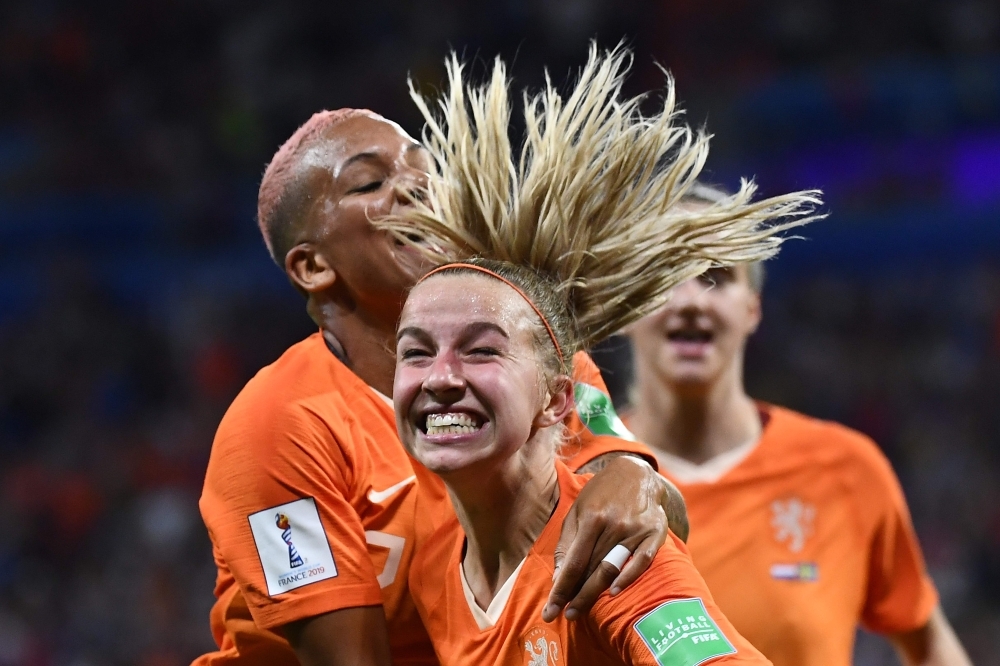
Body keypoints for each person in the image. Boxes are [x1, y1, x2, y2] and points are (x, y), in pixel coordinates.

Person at [194, 85, 687, 666]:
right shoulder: (278, 427)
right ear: (313, 265)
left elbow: (658, 524)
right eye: (370, 184)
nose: (417, 187)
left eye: (424, 171)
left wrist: (635, 478)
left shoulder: (533, 354)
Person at [389, 45, 821, 665]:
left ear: (557, 397)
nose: (442, 377)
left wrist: (640, 478)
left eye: (481, 351)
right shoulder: (434, 557)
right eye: (416, 353)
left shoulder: (609, 552)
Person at [625, 184, 973, 666]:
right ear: (625, 305)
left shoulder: (845, 470)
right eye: (667, 274)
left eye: (718, 276)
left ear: (752, 308)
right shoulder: (576, 474)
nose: (692, 301)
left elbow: (930, 642)